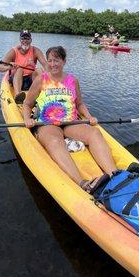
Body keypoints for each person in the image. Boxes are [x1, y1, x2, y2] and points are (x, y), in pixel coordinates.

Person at [22, 46, 117, 193]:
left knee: (94, 133)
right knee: (54, 141)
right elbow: (27, 104)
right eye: (50, 60)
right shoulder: (41, 80)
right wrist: (27, 119)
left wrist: (89, 116)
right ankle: (83, 183)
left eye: (57, 60)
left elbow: (79, 104)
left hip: (70, 122)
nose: (53, 64)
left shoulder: (73, 80)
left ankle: (115, 175)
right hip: (47, 123)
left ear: (64, 61)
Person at [0, 30, 48, 103]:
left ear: (31, 40)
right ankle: (18, 95)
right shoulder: (13, 51)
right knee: (20, 69)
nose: (25, 41)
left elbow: (45, 65)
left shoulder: (36, 51)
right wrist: (9, 67)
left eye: (27, 39)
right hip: (17, 80)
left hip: (30, 80)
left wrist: (53, 76)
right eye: (23, 39)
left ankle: (40, 95)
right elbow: (0, 68)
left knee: (39, 70)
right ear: (20, 40)